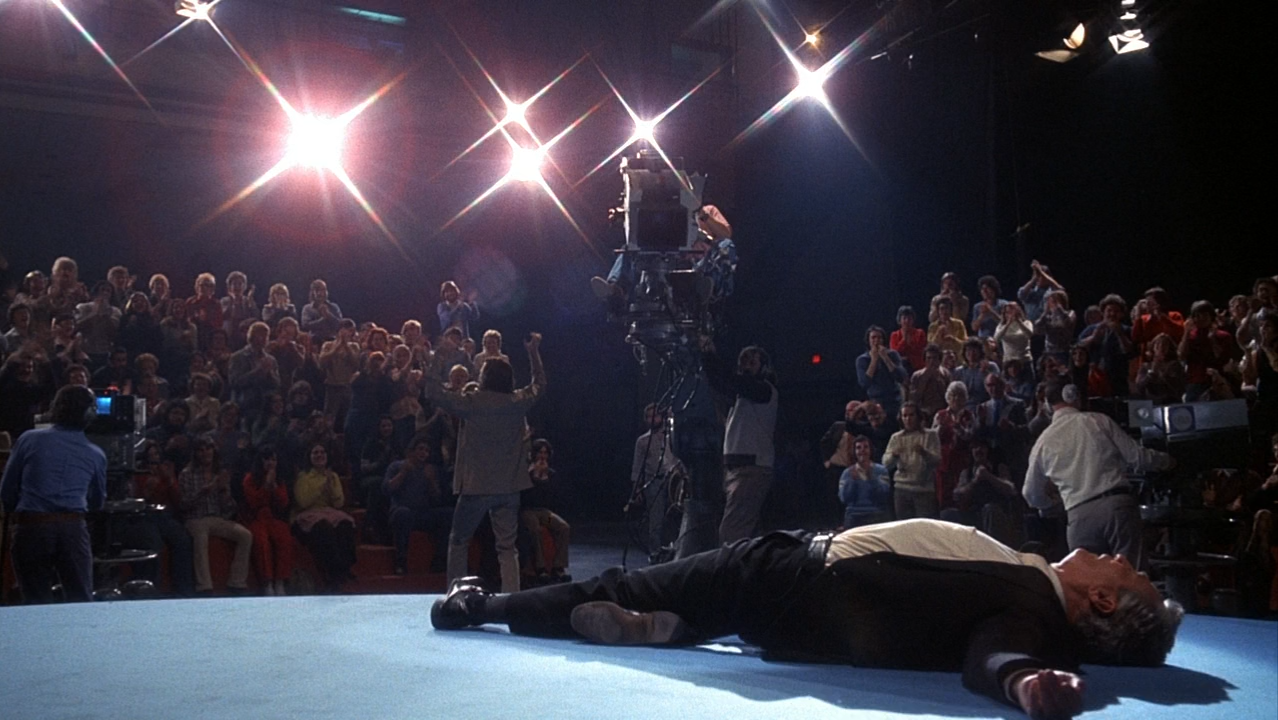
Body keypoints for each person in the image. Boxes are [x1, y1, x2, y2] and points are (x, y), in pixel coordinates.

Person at [431, 518, 1184, 720]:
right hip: (803, 620)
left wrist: (1022, 683)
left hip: (793, 573)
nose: (1118, 557)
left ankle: (482, 605)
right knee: (686, 605)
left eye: (1130, 574)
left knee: (629, 583)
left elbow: (996, 652)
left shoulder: (1033, 608)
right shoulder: (1033, 592)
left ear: (1103, 602)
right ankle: (676, 626)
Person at [424, 332, 546, 593]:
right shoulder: (517, 401)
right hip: (509, 486)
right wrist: (533, 353)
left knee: (459, 541)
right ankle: (511, 597)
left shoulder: (472, 402)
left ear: (484, 378)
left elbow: (433, 391)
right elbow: (539, 384)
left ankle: (456, 593)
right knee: (507, 547)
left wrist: (439, 358)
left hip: (476, 487)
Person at [1023, 377, 1175, 570]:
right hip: (1117, 507)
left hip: (1078, 517)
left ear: (1047, 404)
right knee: (1131, 578)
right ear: (1072, 394)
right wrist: (1169, 461)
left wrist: (1051, 505)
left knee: (1092, 583)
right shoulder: (1098, 421)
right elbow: (1138, 458)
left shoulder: (1043, 441)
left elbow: (1030, 493)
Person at [1, 385, 106, 602]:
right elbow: (97, 502)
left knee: (35, 599)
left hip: (31, 525)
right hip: (73, 527)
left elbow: (7, 489)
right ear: (89, 413)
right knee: (80, 599)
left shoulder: (29, 439)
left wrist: (15, 515)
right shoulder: (96, 454)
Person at [701, 339, 778, 545]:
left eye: (751, 362)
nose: (745, 367)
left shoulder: (764, 390)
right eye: (743, 362)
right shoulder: (741, 398)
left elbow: (730, 380)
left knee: (732, 532)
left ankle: (730, 563)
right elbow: (721, 382)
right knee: (746, 529)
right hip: (739, 468)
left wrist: (709, 354)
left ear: (764, 367)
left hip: (751, 468)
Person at [178, 436, 253, 594]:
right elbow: (183, 506)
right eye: (201, 450)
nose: (205, 453)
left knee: (245, 535)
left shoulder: (219, 474)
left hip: (217, 518)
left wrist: (223, 492)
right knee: (201, 535)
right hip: (195, 518)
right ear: (195, 453)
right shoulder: (187, 474)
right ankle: (204, 586)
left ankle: (236, 583)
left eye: (208, 449)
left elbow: (229, 509)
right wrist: (202, 493)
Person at [292, 443, 357, 591]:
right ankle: (332, 572)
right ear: (310, 457)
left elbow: (339, 503)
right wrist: (322, 487)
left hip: (329, 511)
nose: (319, 455)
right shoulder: (303, 476)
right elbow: (303, 502)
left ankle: (344, 569)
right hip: (309, 513)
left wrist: (331, 486)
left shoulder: (333, 476)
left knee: (345, 525)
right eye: (315, 453)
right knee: (323, 528)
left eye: (322, 452)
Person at [384, 435, 451, 574]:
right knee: (403, 514)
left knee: (447, 514)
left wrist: (432, 482)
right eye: (420, 449)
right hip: (401, 510)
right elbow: (387, 489)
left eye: (427, 451)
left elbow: (437, 499)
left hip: (422, 513)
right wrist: (403, 473)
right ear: (412, 451)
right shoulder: (397, 466)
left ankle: (440, 560)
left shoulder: (431, 470)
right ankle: (401, 561)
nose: (423, 453)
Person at [631, 403, 685, 560]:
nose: (653, 419)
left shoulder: (672, 437)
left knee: (675, 516)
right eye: (649, 417)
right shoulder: (643, 441)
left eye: (655, 415)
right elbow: (637, 466)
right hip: (654, 482)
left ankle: (675, 551)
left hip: (674, 481)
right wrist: (636, 489)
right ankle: (655, 553)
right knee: (656, 520)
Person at [240, 447, 293, 596]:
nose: (270, 463)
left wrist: (274, 486)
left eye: (273, 459)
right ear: (260, 461)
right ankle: (267, 583)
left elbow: (283, 503)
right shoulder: (249, 478)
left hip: (273, 518)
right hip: (255, 518)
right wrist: (266, 486)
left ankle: (280, 582)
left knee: (284, 537)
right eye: (267, 459)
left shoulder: (279, 479)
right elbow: (253, 502)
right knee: (261, 540)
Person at [521, 438, 571, 582]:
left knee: (563, 527)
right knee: (535, 529)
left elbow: (551, 499)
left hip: (543, 511)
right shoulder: (526, 473)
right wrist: (535, 477)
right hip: (528, 510)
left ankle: (558, 566)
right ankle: (540, 567)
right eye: (540, 452)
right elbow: (526, 497)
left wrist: (544, 479)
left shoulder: (551, 474)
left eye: (545, 453)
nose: (542, 456)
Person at [882, 401, 941, 519]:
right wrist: (893, 456)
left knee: (923, 526)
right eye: (905, 416)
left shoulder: (930, 435)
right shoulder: (896, 437)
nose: (908, 419)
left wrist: (924, 453)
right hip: (902, 489)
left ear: (918, 416)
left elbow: (937, 460)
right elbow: (885, 463)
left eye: (911, 415)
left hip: (923, 489)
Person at [837, 435, 890, 529]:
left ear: (870, 450)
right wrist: (852, 481)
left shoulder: (881, 470)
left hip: (876, 514)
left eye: (865, 447)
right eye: (858, 448)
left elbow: (884, 496)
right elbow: (844, 499)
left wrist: (872, 478)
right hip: (854, 515)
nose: (862, 450)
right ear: (854, 451)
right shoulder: (847, 473)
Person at [855, 325, 907, 418]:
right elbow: (864, 383)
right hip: (875, 400)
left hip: (894, 400)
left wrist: (886, 358)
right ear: (868, 340)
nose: (876, 340)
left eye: (879, 337)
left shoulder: (893, 354)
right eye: (873, 337)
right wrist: (874, 360)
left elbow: (901, 377)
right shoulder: (862, 359)